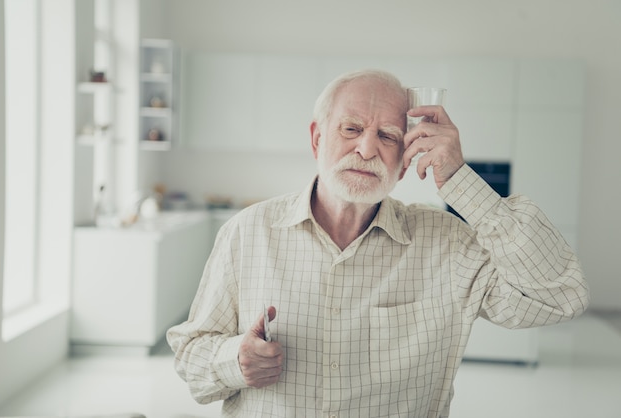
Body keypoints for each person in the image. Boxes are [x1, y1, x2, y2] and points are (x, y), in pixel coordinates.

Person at [166, 69, 589, 417]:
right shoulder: (247, 231)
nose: (367, 148)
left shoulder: (447, 245)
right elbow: (190, 354)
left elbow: (560, 296)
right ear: (316, 138)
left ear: (404, 161)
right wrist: (235, 360)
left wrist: (460, 180)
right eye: (351, 129)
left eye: (388, 136)